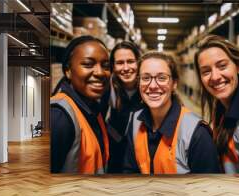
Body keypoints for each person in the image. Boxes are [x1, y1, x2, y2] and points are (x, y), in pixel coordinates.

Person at [123, 52, 221, 174]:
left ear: (174, 83)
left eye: (162, 78)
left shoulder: (197, 133)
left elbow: (209, 188)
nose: (153, 85)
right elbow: (129, 172)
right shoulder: (135, 122)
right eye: (146, 78)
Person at [194, 35, 239, 174]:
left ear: (238, 66)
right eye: (206, 71)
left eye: (222, 66)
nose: (215, 77)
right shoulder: (221, 108)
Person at [50, 35, 110, 174]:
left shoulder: (93, 109)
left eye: (106, 66)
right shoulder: (59, 117)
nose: (100, 72)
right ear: (68, 71)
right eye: (88, 64)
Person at [103, 41, 143, 173]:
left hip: (141, 153)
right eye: (120, 63)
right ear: (113, 67)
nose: (126, 68)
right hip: (116, 152)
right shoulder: (107, 88)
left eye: (130, 61)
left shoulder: (148, 87)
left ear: (138, 62)